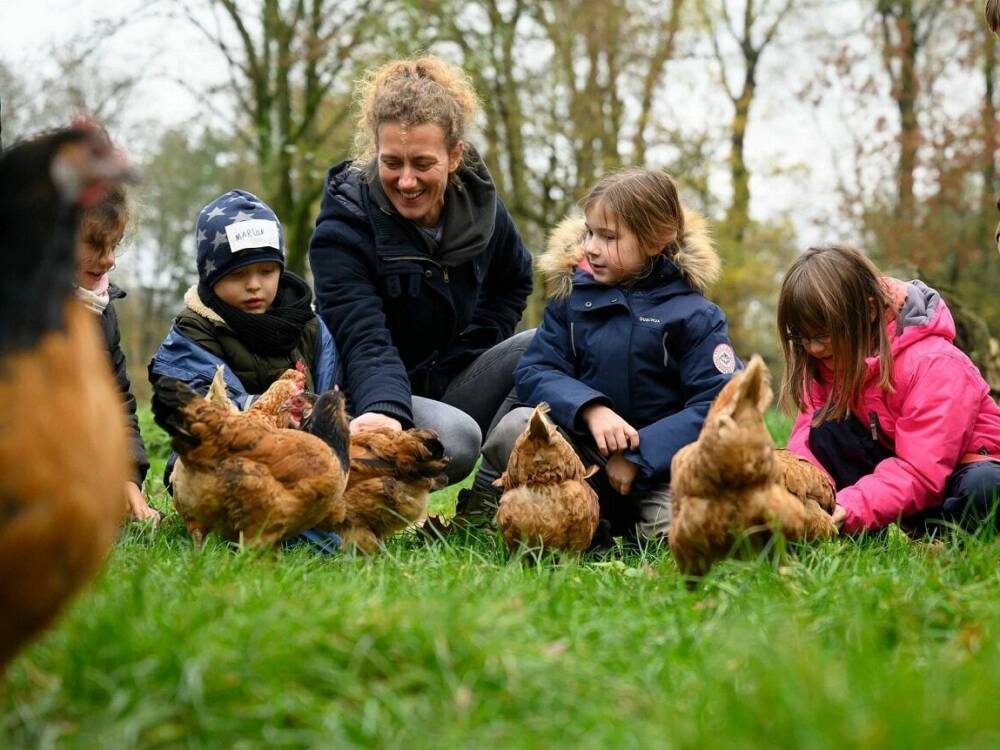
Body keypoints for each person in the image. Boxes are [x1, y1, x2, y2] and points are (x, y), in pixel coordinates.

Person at [308, 55, 534, 502]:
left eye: (422, 163)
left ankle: (487, 503)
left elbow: (514, 281)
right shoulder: (343, 227)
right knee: (455, 441)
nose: (406, 181)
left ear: (455, 157)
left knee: (542, 343)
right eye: (392, 162)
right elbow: (363, 338)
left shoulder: (482, 211)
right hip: (364, 389)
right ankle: (357, 487)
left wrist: (474, 346)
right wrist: (384, 413)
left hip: (444, 378)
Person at [482, 168, 738, 544]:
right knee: (516, 425)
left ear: (656, 240)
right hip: (582, 461)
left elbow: (719, 404)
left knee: (673, 538)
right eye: (589, 232)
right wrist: (590, 408)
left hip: (662, 472)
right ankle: (493, 512)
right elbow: (536, 369)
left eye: (608, 237)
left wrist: (640, 456)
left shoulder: (695, 315)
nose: (591, 247)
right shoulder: (573, 300)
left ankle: (625, 530)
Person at [149, 190, 341, 552]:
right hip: (213, 467)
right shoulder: (193, 332)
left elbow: (329, 390)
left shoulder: (310, 327)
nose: (255, 284)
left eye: (267, 271)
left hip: (290, 464)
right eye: (238, 274)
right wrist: (276, 412)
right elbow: (206, 411)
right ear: (210, 276)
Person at [779, 245, 1000, 535]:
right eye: (801, 336)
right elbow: (806, 446)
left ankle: (947, 537)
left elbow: (921, 470)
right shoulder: (825, 361)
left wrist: (849, 507)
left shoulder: (935, 363)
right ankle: (875, 528)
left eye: (823, 333)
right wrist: (805, 499)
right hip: (901, 474)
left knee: (984, 490)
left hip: (959, 474)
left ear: (870, 310)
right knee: (823, 427)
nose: (813, 348)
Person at [77, 184, 160, 523]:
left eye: (114, 245)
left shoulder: (102, 308)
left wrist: (128, 477)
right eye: (96, 244)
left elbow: (118, 403)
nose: (109, 258)